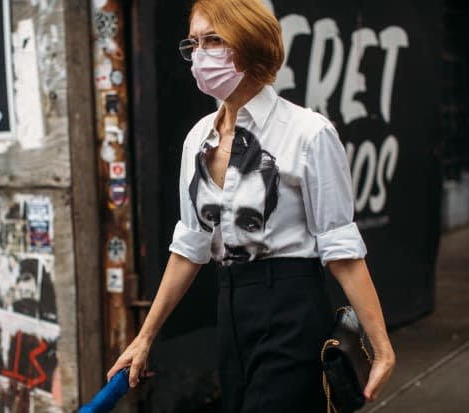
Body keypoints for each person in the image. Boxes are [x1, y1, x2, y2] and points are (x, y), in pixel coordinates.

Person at [107, 0, 395, 411]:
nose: (200, 54)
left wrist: (381, 346)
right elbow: (189, 247)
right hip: (231, 309)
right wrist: (145, 337)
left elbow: (342, 250)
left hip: (292, 306)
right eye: (194, 43)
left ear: (250, 43)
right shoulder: (198, 140)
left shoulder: (308, 133)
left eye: (214, 40)